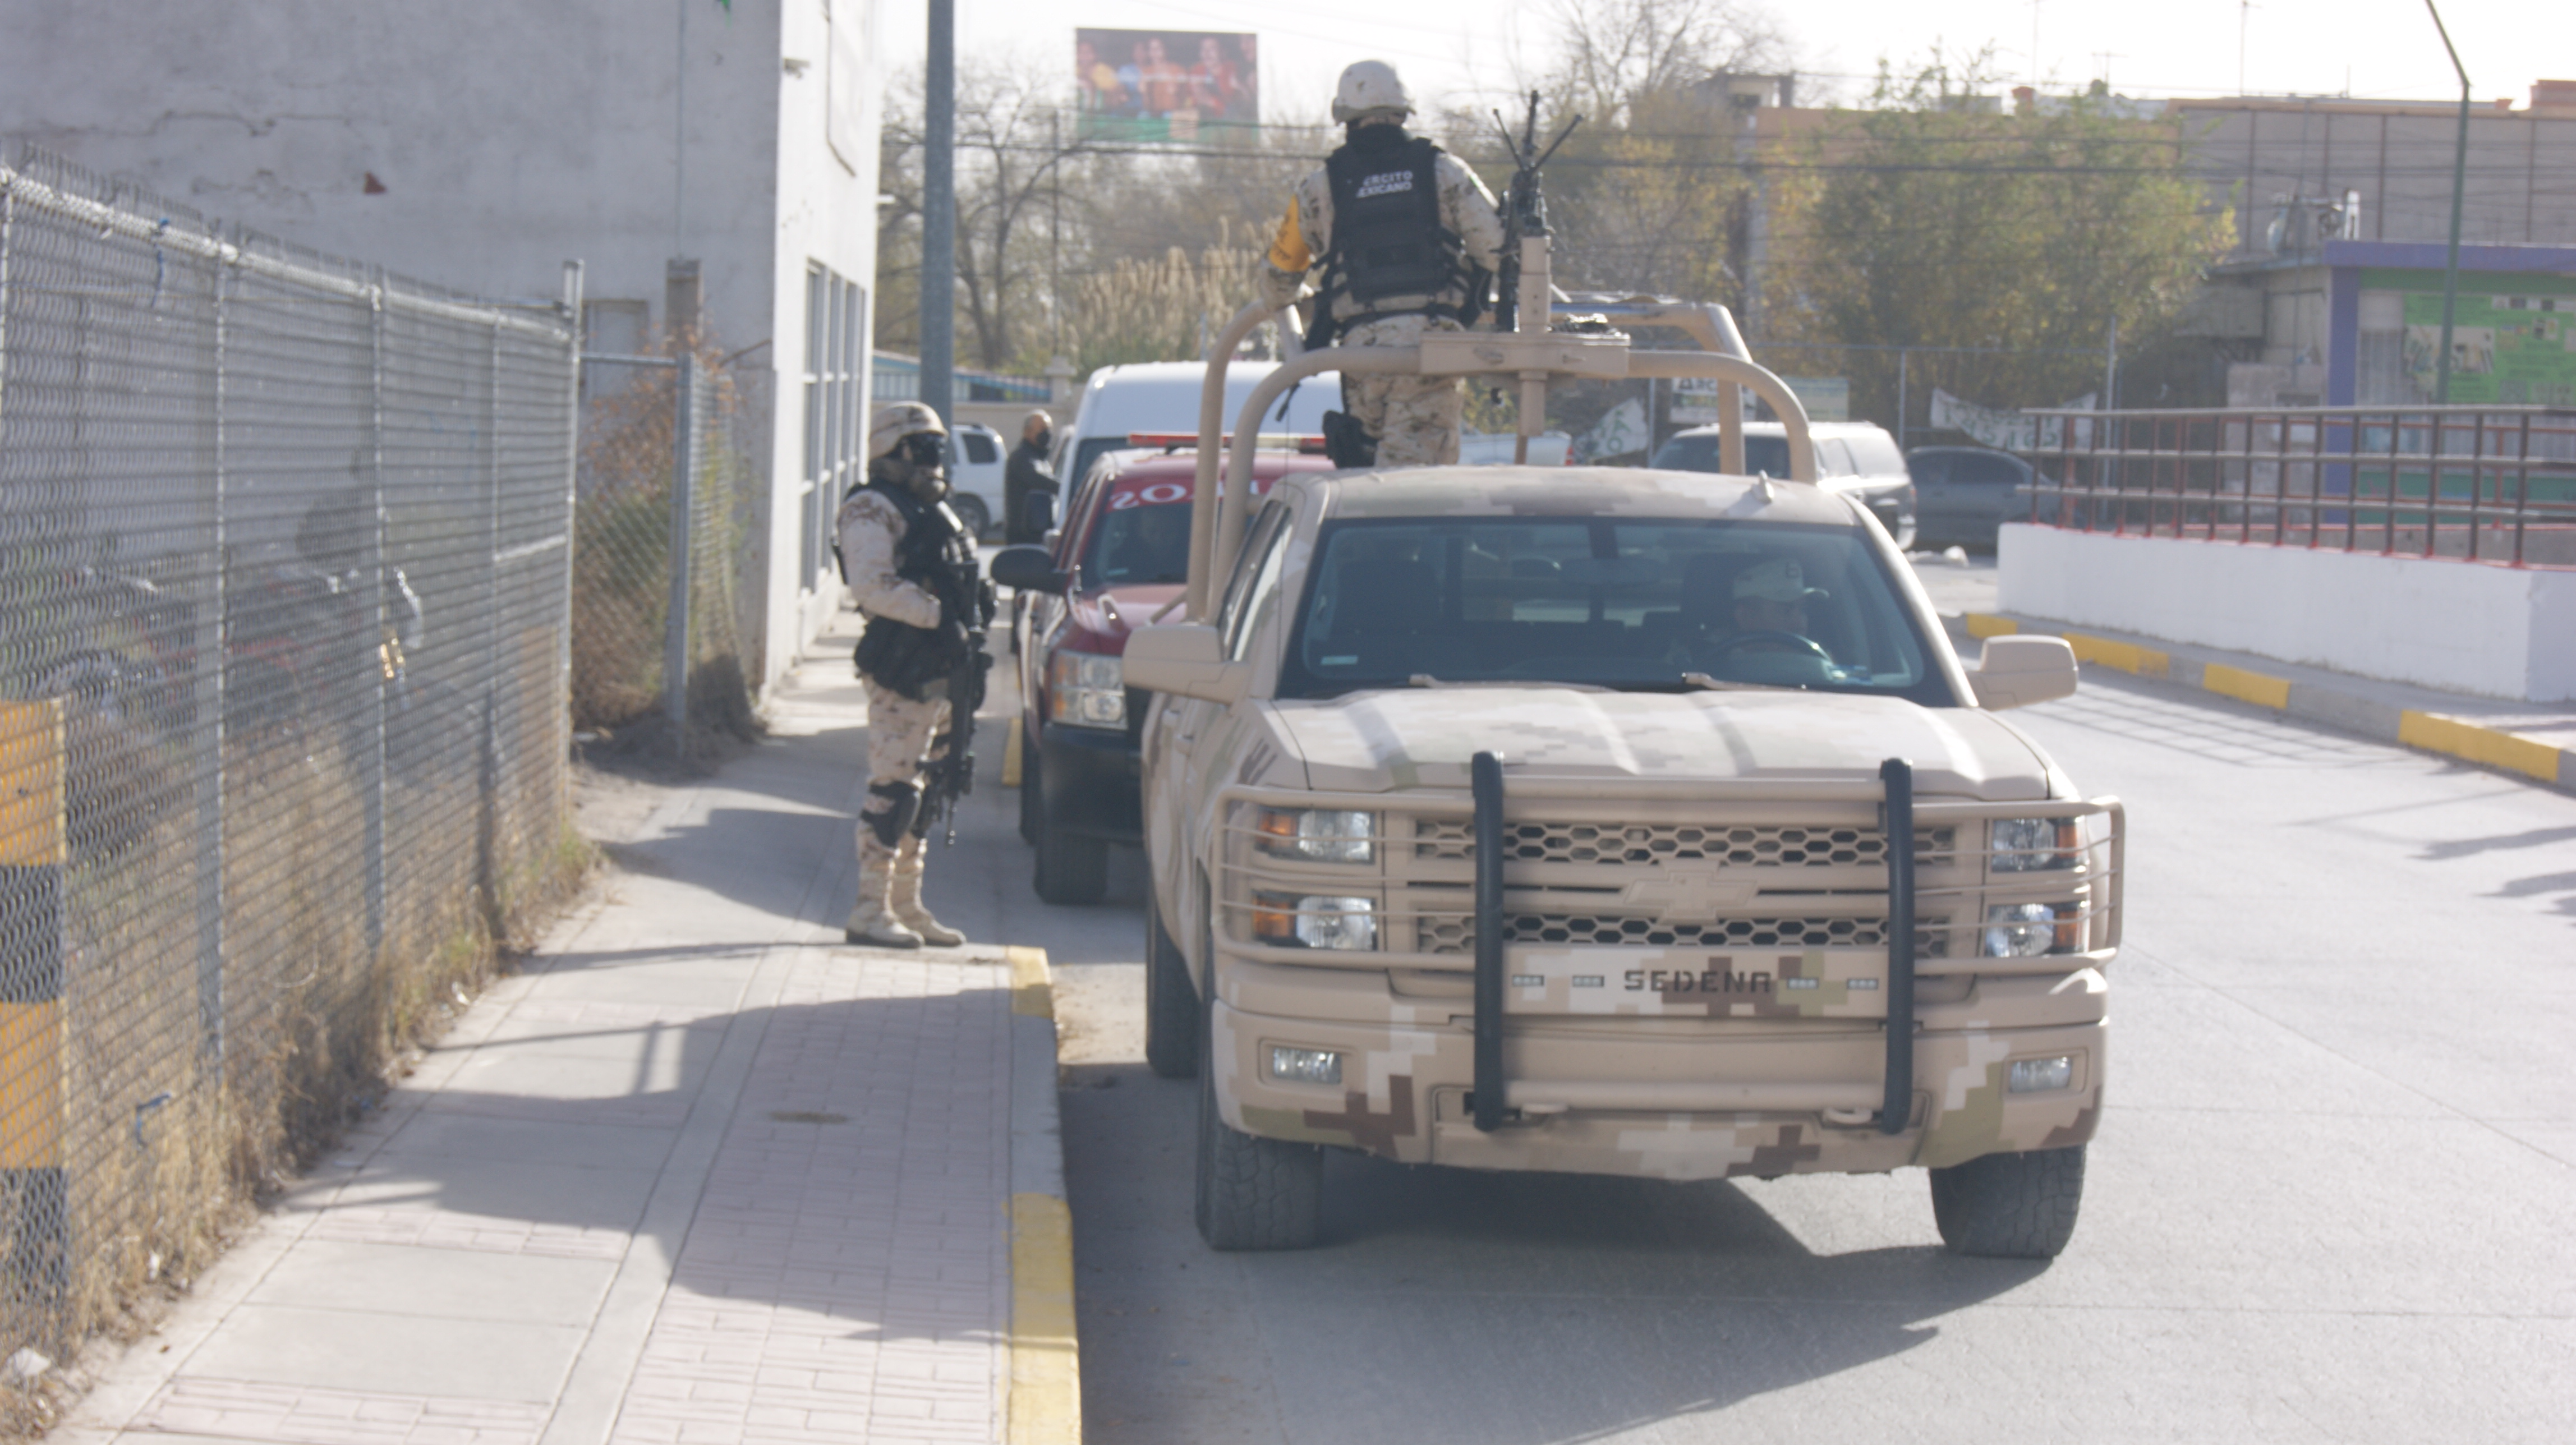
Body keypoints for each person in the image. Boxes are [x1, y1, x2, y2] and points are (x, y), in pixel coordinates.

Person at [1256, 59, 1506, 468]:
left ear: (1345, 116)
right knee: (1416, 486)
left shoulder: (1319, 186)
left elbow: (1276, 282)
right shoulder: (1444, 171)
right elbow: (1496, 249)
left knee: (1366, 478)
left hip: (1362, 357)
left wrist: (1306, 305)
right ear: (1403, 110)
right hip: (1430, 352)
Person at [836, 401, 990, 949]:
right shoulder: (871, 508)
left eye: (936, 448)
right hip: (903, 668)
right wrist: (938, 619)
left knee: (929, 791)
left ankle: (905, 904)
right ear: (893, 450)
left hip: (944, 667)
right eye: (922, 448)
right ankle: (868, 908)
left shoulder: (933, 508)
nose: (933, 459)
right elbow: (872, 585)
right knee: (894, 790)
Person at [1004, 409, 1057, 545]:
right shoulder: (1021, 457)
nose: (1047, 433)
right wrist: (1065, 487)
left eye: (1049, 429)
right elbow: (1037, 480)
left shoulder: (1041, 459)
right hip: (1023, 537)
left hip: (1039, 533)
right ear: (1028, 432)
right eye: (1042, 429)